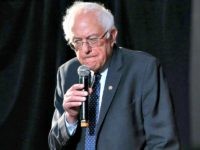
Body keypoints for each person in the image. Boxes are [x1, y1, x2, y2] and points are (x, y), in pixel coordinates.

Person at [48, 1, 180, 150]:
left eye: (92, 39)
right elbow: (54, 145)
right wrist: (69, 118)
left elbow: (163, 142)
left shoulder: (143, 69)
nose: (85, 49)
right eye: (77, 41)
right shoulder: (67, 72)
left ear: (112, 36)